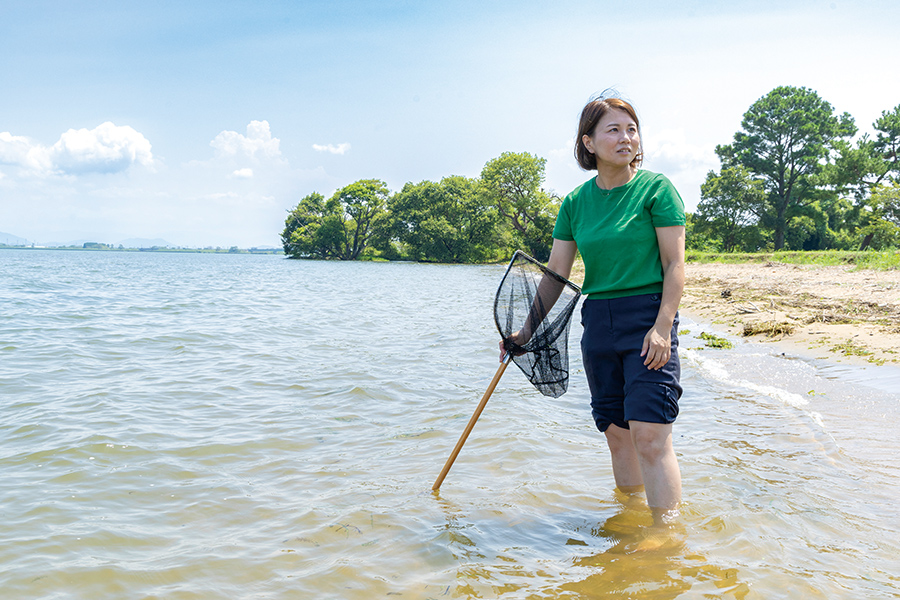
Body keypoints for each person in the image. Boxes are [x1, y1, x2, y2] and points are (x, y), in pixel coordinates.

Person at [502, 95, 686, 521]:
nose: (626, 138)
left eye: (632, 129)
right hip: (599, 322)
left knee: (651, 438)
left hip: (647, 319)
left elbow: (675, 265)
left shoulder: (656, 190)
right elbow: (556, 276)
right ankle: (631, 522)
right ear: (588, 142)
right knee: (618, 437)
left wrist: (662, 327)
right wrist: (524, 334)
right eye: (614, 130)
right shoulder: (575, 203)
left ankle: (665, 537)